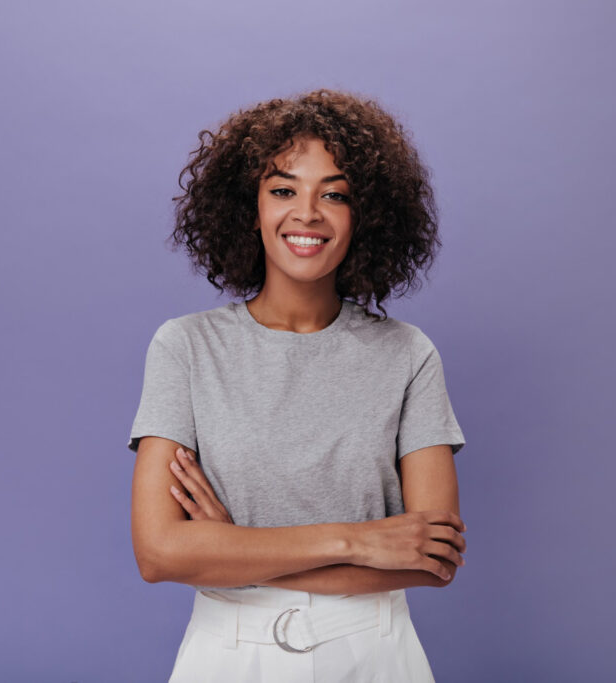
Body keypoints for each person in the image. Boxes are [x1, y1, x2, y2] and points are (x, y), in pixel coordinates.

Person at [127, 88, 467, 682]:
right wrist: (358, 541)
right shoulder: (184, 347)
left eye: (334, 194)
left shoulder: (408, 355)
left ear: (367, 215)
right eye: (283, 190)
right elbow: (158, 554)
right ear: (248, 207)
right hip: (227, 656)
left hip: (375, 654)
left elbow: (433, 558)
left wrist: (232, 549)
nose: (307, 213)